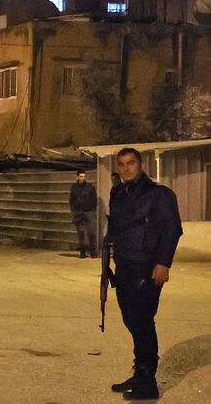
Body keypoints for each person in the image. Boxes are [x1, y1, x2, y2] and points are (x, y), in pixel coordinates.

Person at [107, 148, 182, 400]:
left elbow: (173, 230)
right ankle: (140, 372)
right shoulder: (118, 193)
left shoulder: (159, 195)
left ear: (141, 165)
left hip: (147, 268)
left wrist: (163, 263)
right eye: (122, 164)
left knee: (142, 322)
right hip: (124, 268)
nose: (126, 168)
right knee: (132, 321)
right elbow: (116, 228)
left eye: (131, 163)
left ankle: (148, 381)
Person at [69, 170, 98, 258]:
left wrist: (92, 209)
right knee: (81, 233)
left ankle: (92, 251)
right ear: (77, 177)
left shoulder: (90, 187)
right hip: (78, 212)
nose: (83, 178)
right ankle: (83, 251)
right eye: (81, 176)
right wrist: (73, 210)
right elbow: (71, 199)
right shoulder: (74, 187)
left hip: (88, 211)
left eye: (84, 176)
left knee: (91, 232)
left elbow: (94, 199)